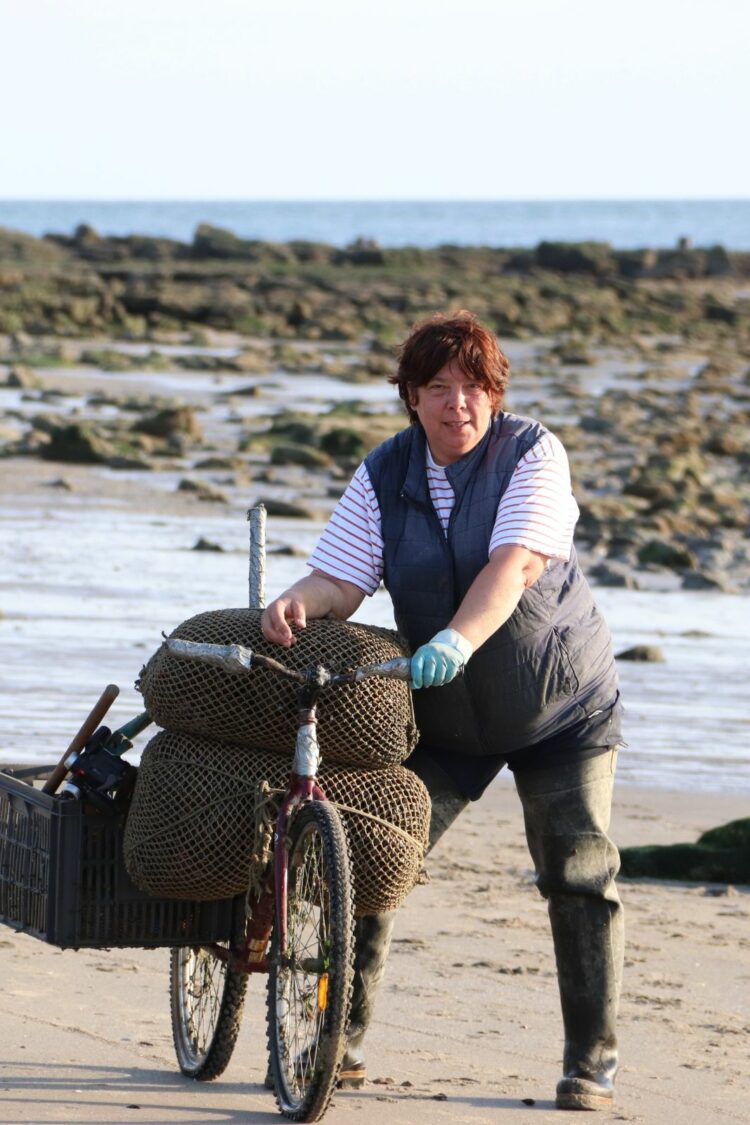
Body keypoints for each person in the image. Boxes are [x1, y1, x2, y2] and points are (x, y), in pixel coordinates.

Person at [261, 310, 624, 1112]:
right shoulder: (384, 472)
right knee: (371, 859)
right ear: (411, 397)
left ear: (495, 395)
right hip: (450, 716)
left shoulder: (533, 453)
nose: (457, 403)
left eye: (473, 387)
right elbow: (345, 579)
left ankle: (589, 1064)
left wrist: (457, 638)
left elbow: (517, 562)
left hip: (561, 705)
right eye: (437, 387)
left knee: (578, 872)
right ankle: (338, 1043)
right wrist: (298, 598)